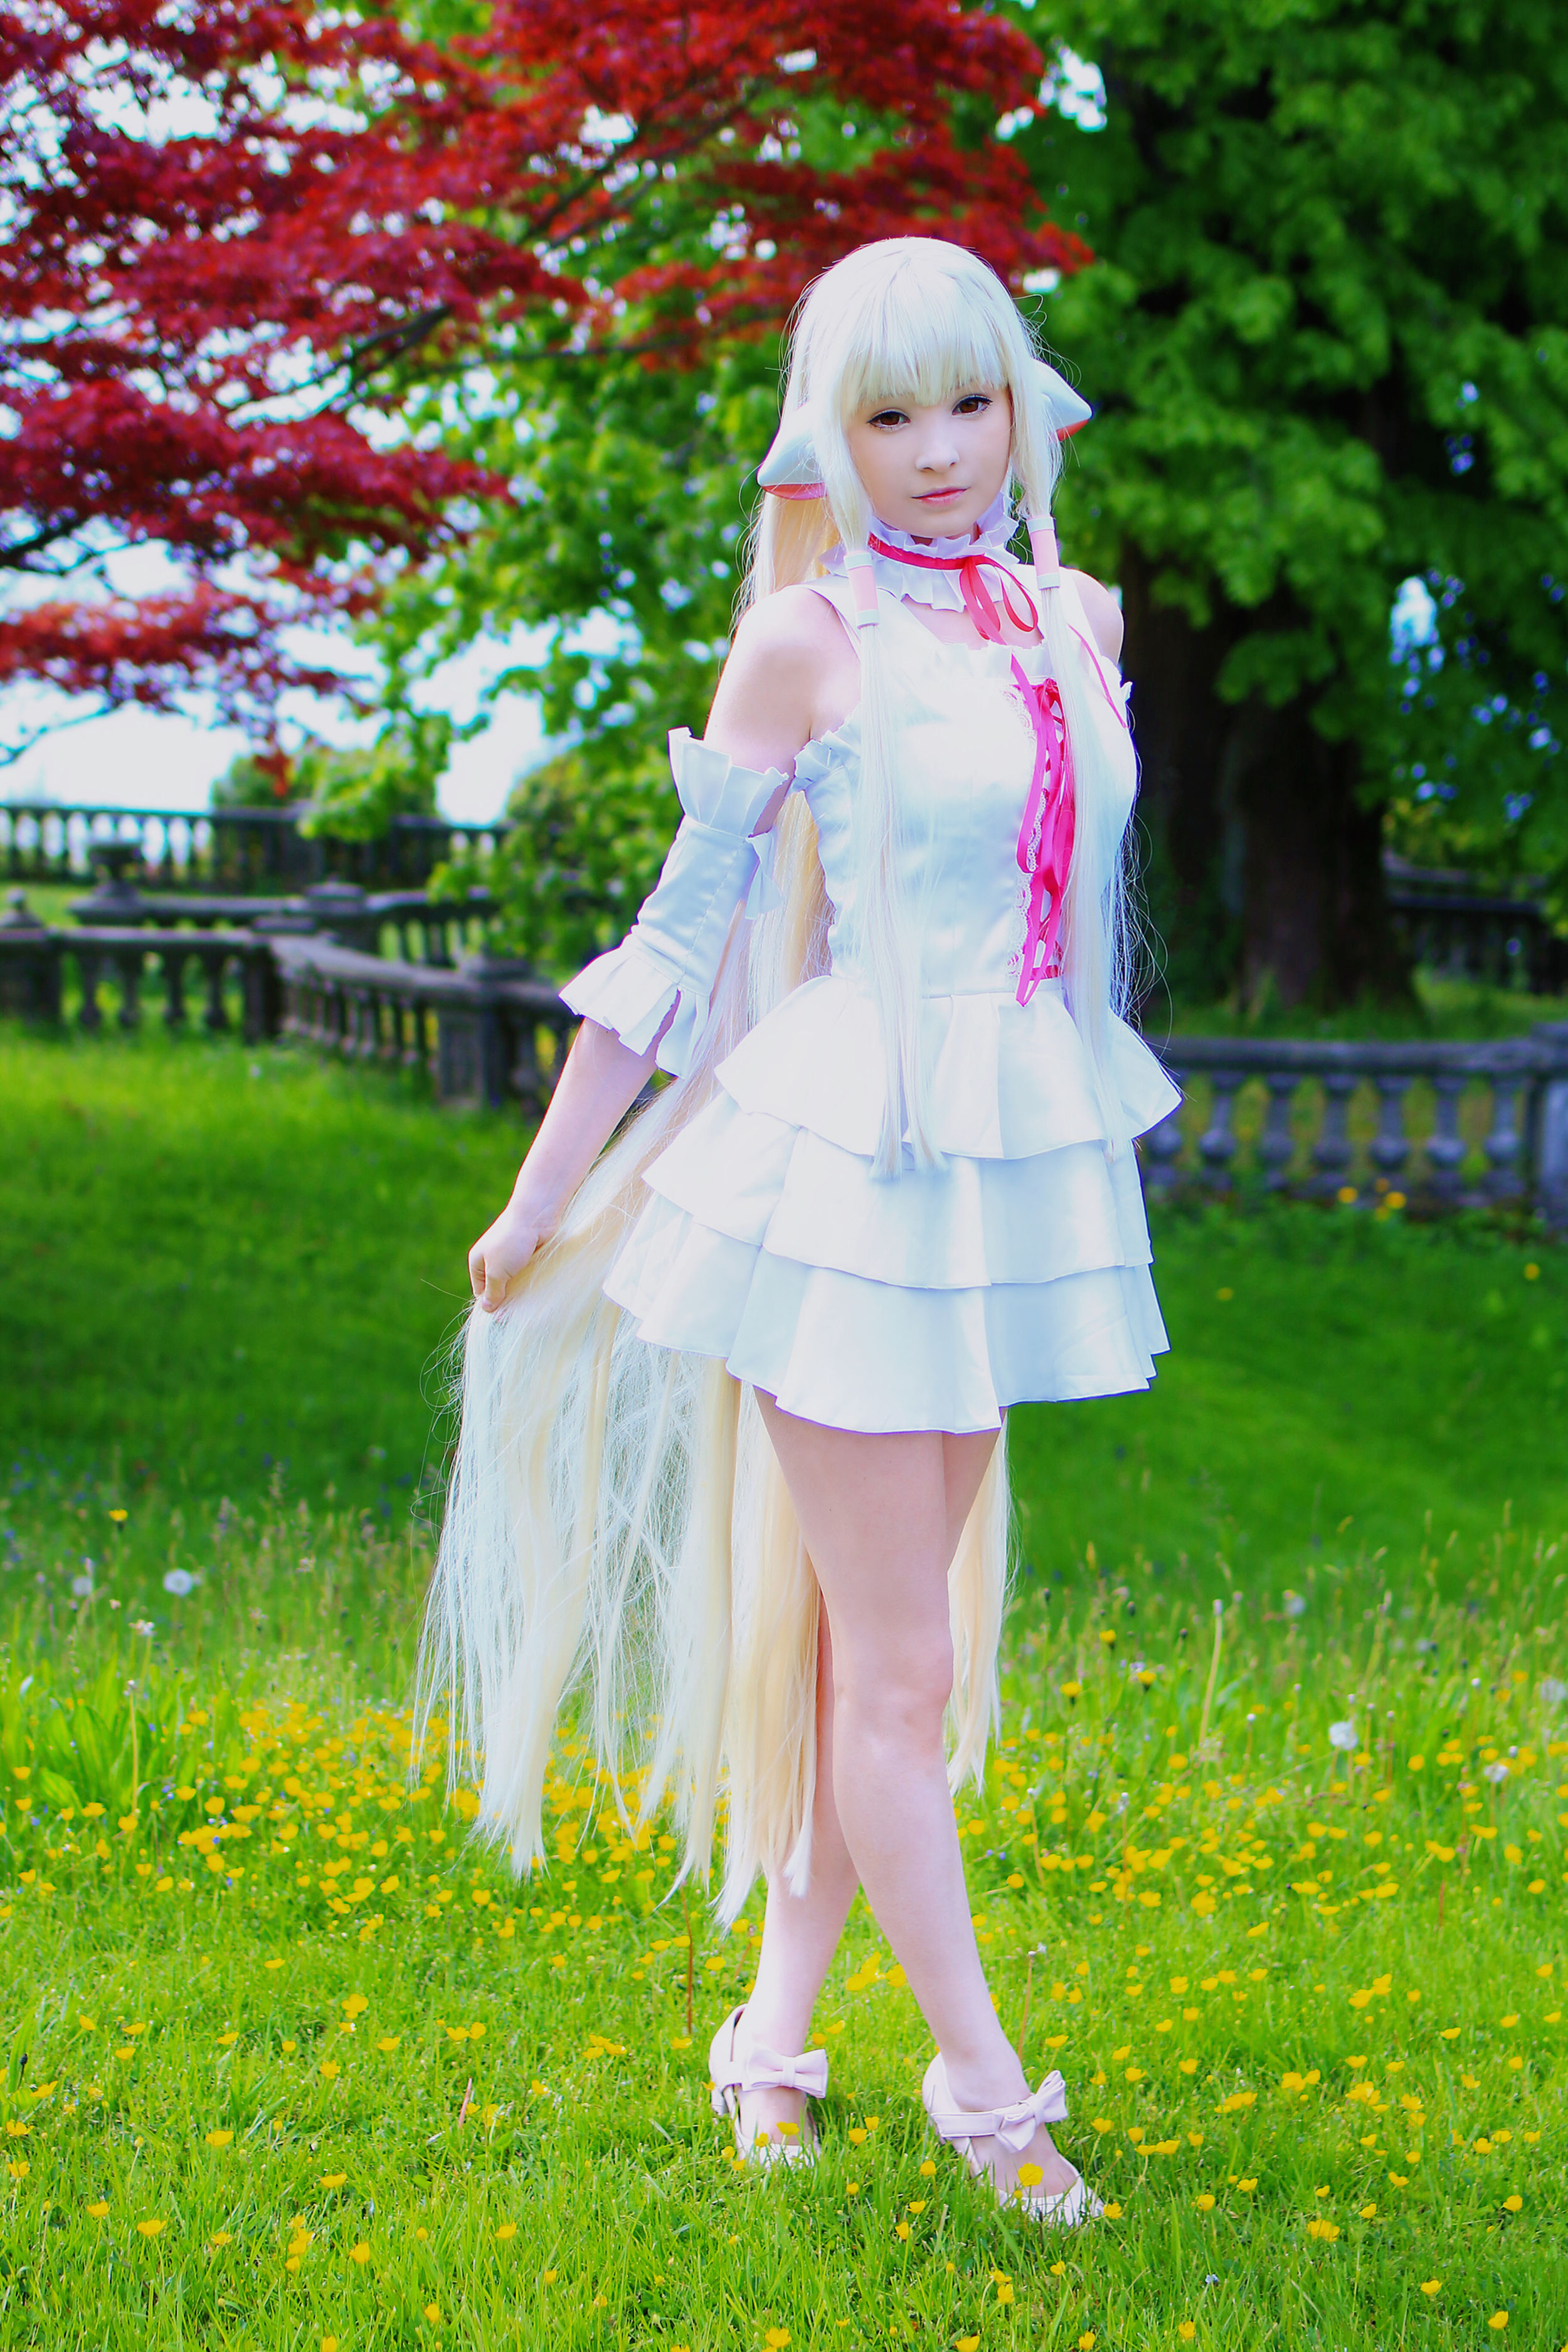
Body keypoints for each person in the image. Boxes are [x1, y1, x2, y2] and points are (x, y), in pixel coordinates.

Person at [419, 236, 1179, 2223]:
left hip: (996, 1162)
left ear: (1020, 408)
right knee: (905, 1679)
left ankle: (768, 2045)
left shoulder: (1072, 614)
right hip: (847, 1170)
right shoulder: (804, 641)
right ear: (828, 434)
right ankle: (985, 2094)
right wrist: (540, 1195)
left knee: (869, 1666)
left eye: (968, 401)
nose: (936, 449)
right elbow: (676, 948)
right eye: (886, 413)